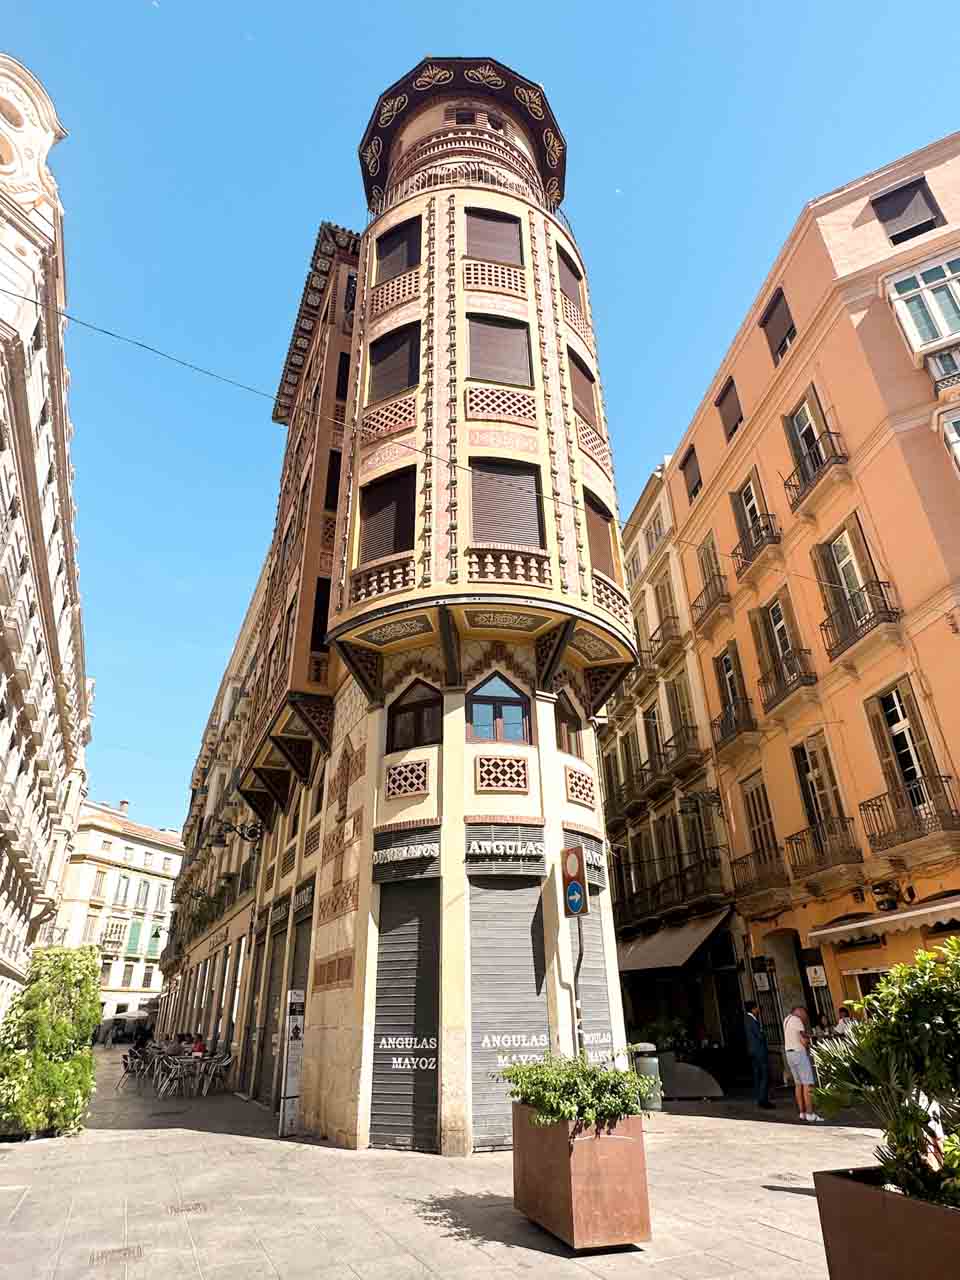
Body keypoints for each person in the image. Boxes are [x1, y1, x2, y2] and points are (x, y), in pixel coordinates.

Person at [783, 1006, 823, 1123]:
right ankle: (810, 1113)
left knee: (798, 1084)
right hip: (799, 1053)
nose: (805, 1017)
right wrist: (808, 1043)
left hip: (789, 1053)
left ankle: (802, 1113)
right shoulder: (797, 1020)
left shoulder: (787, 1019)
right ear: (799, 1012)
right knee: (808, 1084)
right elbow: (802, 1039)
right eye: (805, 1014)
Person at [744, 1000, 774, 1110]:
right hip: (759, 1051)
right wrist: (763, 1033)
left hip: (753, 1051)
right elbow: (759, 1036)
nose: (758, 1010)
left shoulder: (747, 1019)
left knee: (757, 1075)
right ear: (753, 1009)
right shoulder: (751, 1020)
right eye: (757, 1008)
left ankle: (759, 1097)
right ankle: (763, 1099)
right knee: (764, 1075)